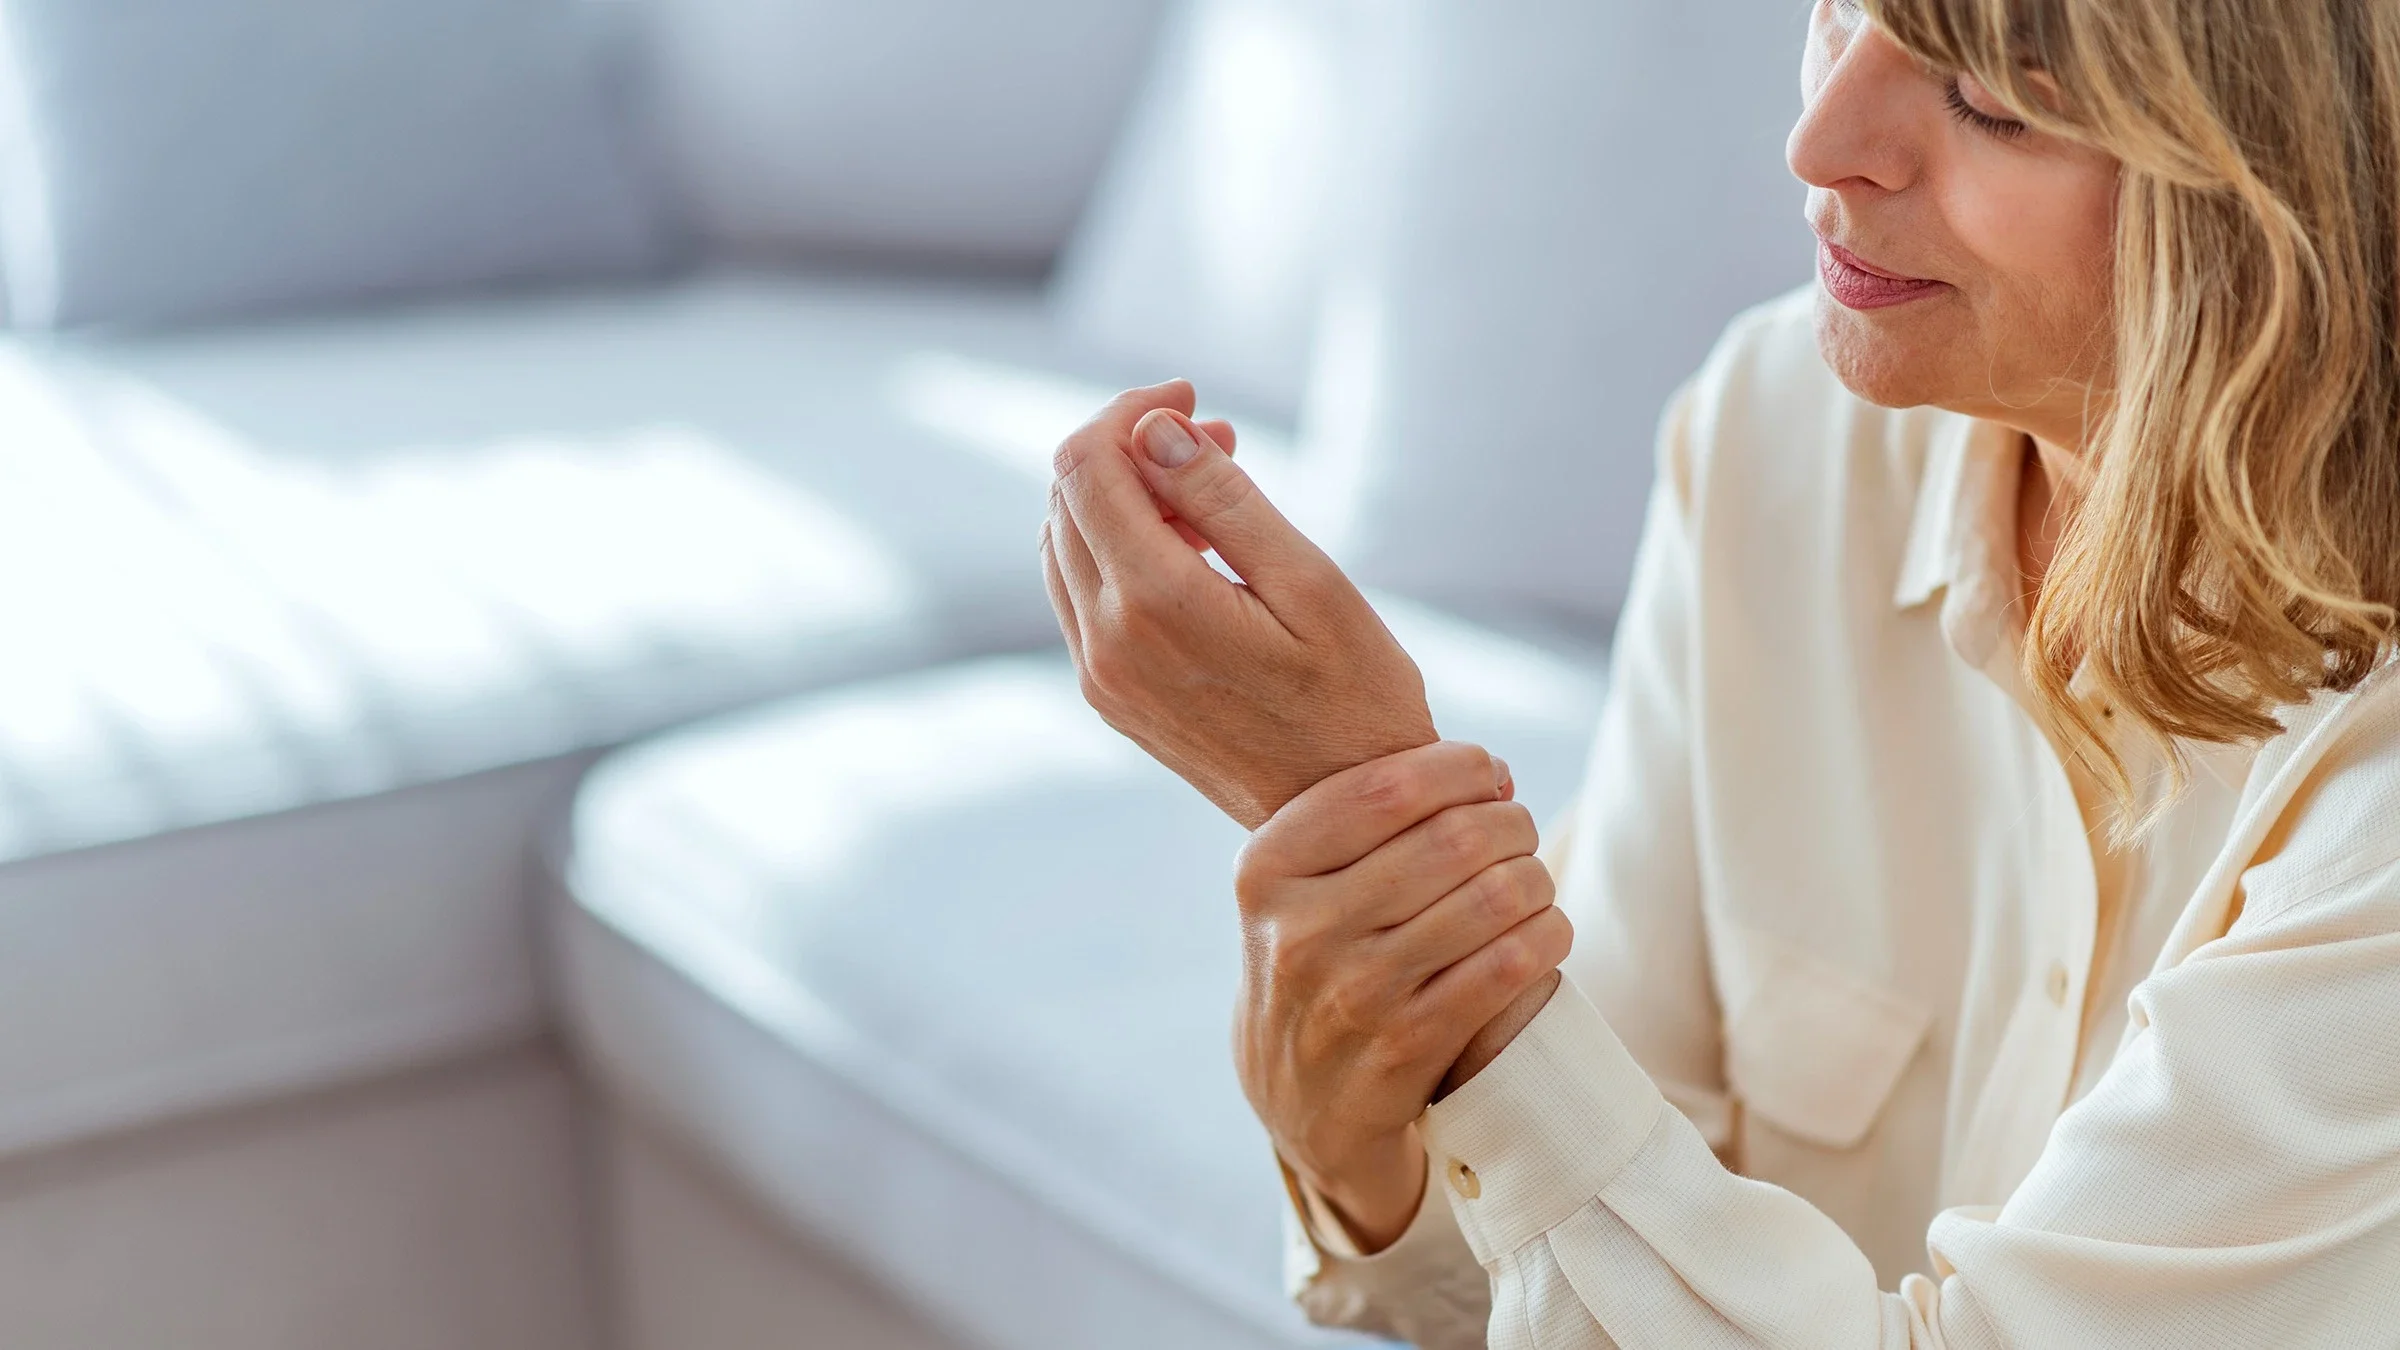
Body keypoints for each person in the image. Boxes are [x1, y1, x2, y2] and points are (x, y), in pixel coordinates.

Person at [1039, 0, 2400, 1343]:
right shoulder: (1779, 435)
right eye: (1843, 9)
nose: (1819, 141)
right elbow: (1579, 1215)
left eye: (1989, 94)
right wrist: (1365, 1116)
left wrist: (1384, 818)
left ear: (2277, 177)